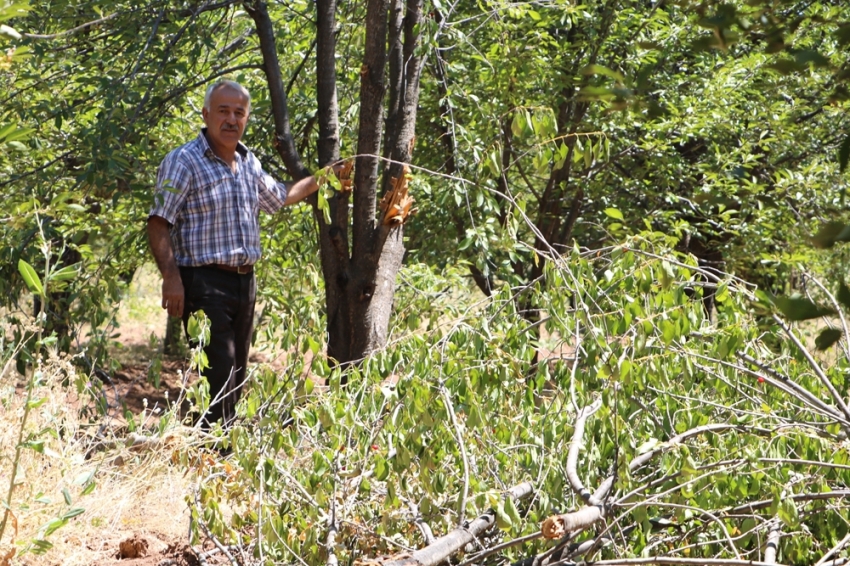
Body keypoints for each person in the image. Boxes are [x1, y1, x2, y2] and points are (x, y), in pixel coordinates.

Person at [147, 79, 335, 428]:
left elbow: (279, 196)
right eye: (223, 111)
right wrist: (171, 279)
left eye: (239, 113)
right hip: (202, 283)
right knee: (219, 373)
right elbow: (158, 222)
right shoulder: (183, 161)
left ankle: (218, 453)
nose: (231, 120)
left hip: (244, 284)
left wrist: (324, 178)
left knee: (235, 375)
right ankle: (216, 459)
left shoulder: (248, 163)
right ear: (206, 115)